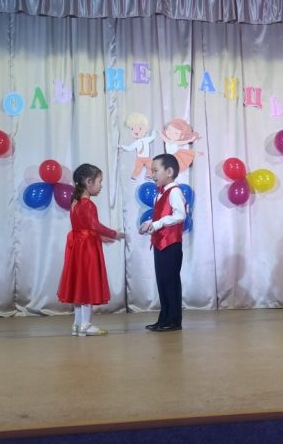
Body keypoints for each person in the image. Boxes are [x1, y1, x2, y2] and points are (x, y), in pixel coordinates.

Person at [57, 164, 124, 336]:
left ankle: (77, 324)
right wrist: (114, 234)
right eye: (99, 181)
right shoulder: (88, 204)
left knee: (79, 284)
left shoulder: (75, 202)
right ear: (88, 182)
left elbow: (84, 226)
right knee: (87, 283)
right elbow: (94, 225)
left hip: (77, 247)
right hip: (87, 248)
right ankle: (86, 324)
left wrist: (101, 238)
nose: (101, 185)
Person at [139, 153, 187, 332]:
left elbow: (180, 215)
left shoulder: (174, 191)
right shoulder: (159, 194)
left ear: (169, 171)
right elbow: (160, 216)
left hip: (171, 243)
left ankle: (173, 320)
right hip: (160, 243)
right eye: (152, 171)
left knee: (170, 282)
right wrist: (149, 224)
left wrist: (157, 224)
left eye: (155, 170)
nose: (152, 174)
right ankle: (164, 318)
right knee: (162, 282)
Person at [118, 112, 155, 181]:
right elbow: (130, 148)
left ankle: (149, 175)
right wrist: (123, 147)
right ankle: (134, 176)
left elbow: (152, 137)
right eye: (132, 129)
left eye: (140, 128)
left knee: (150, 166)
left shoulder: (146, 140)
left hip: (147, 158)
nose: (136, 131)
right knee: (138, 168)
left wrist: (153, 132)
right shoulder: (136, 143)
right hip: (139, 159)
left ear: (146, 128)